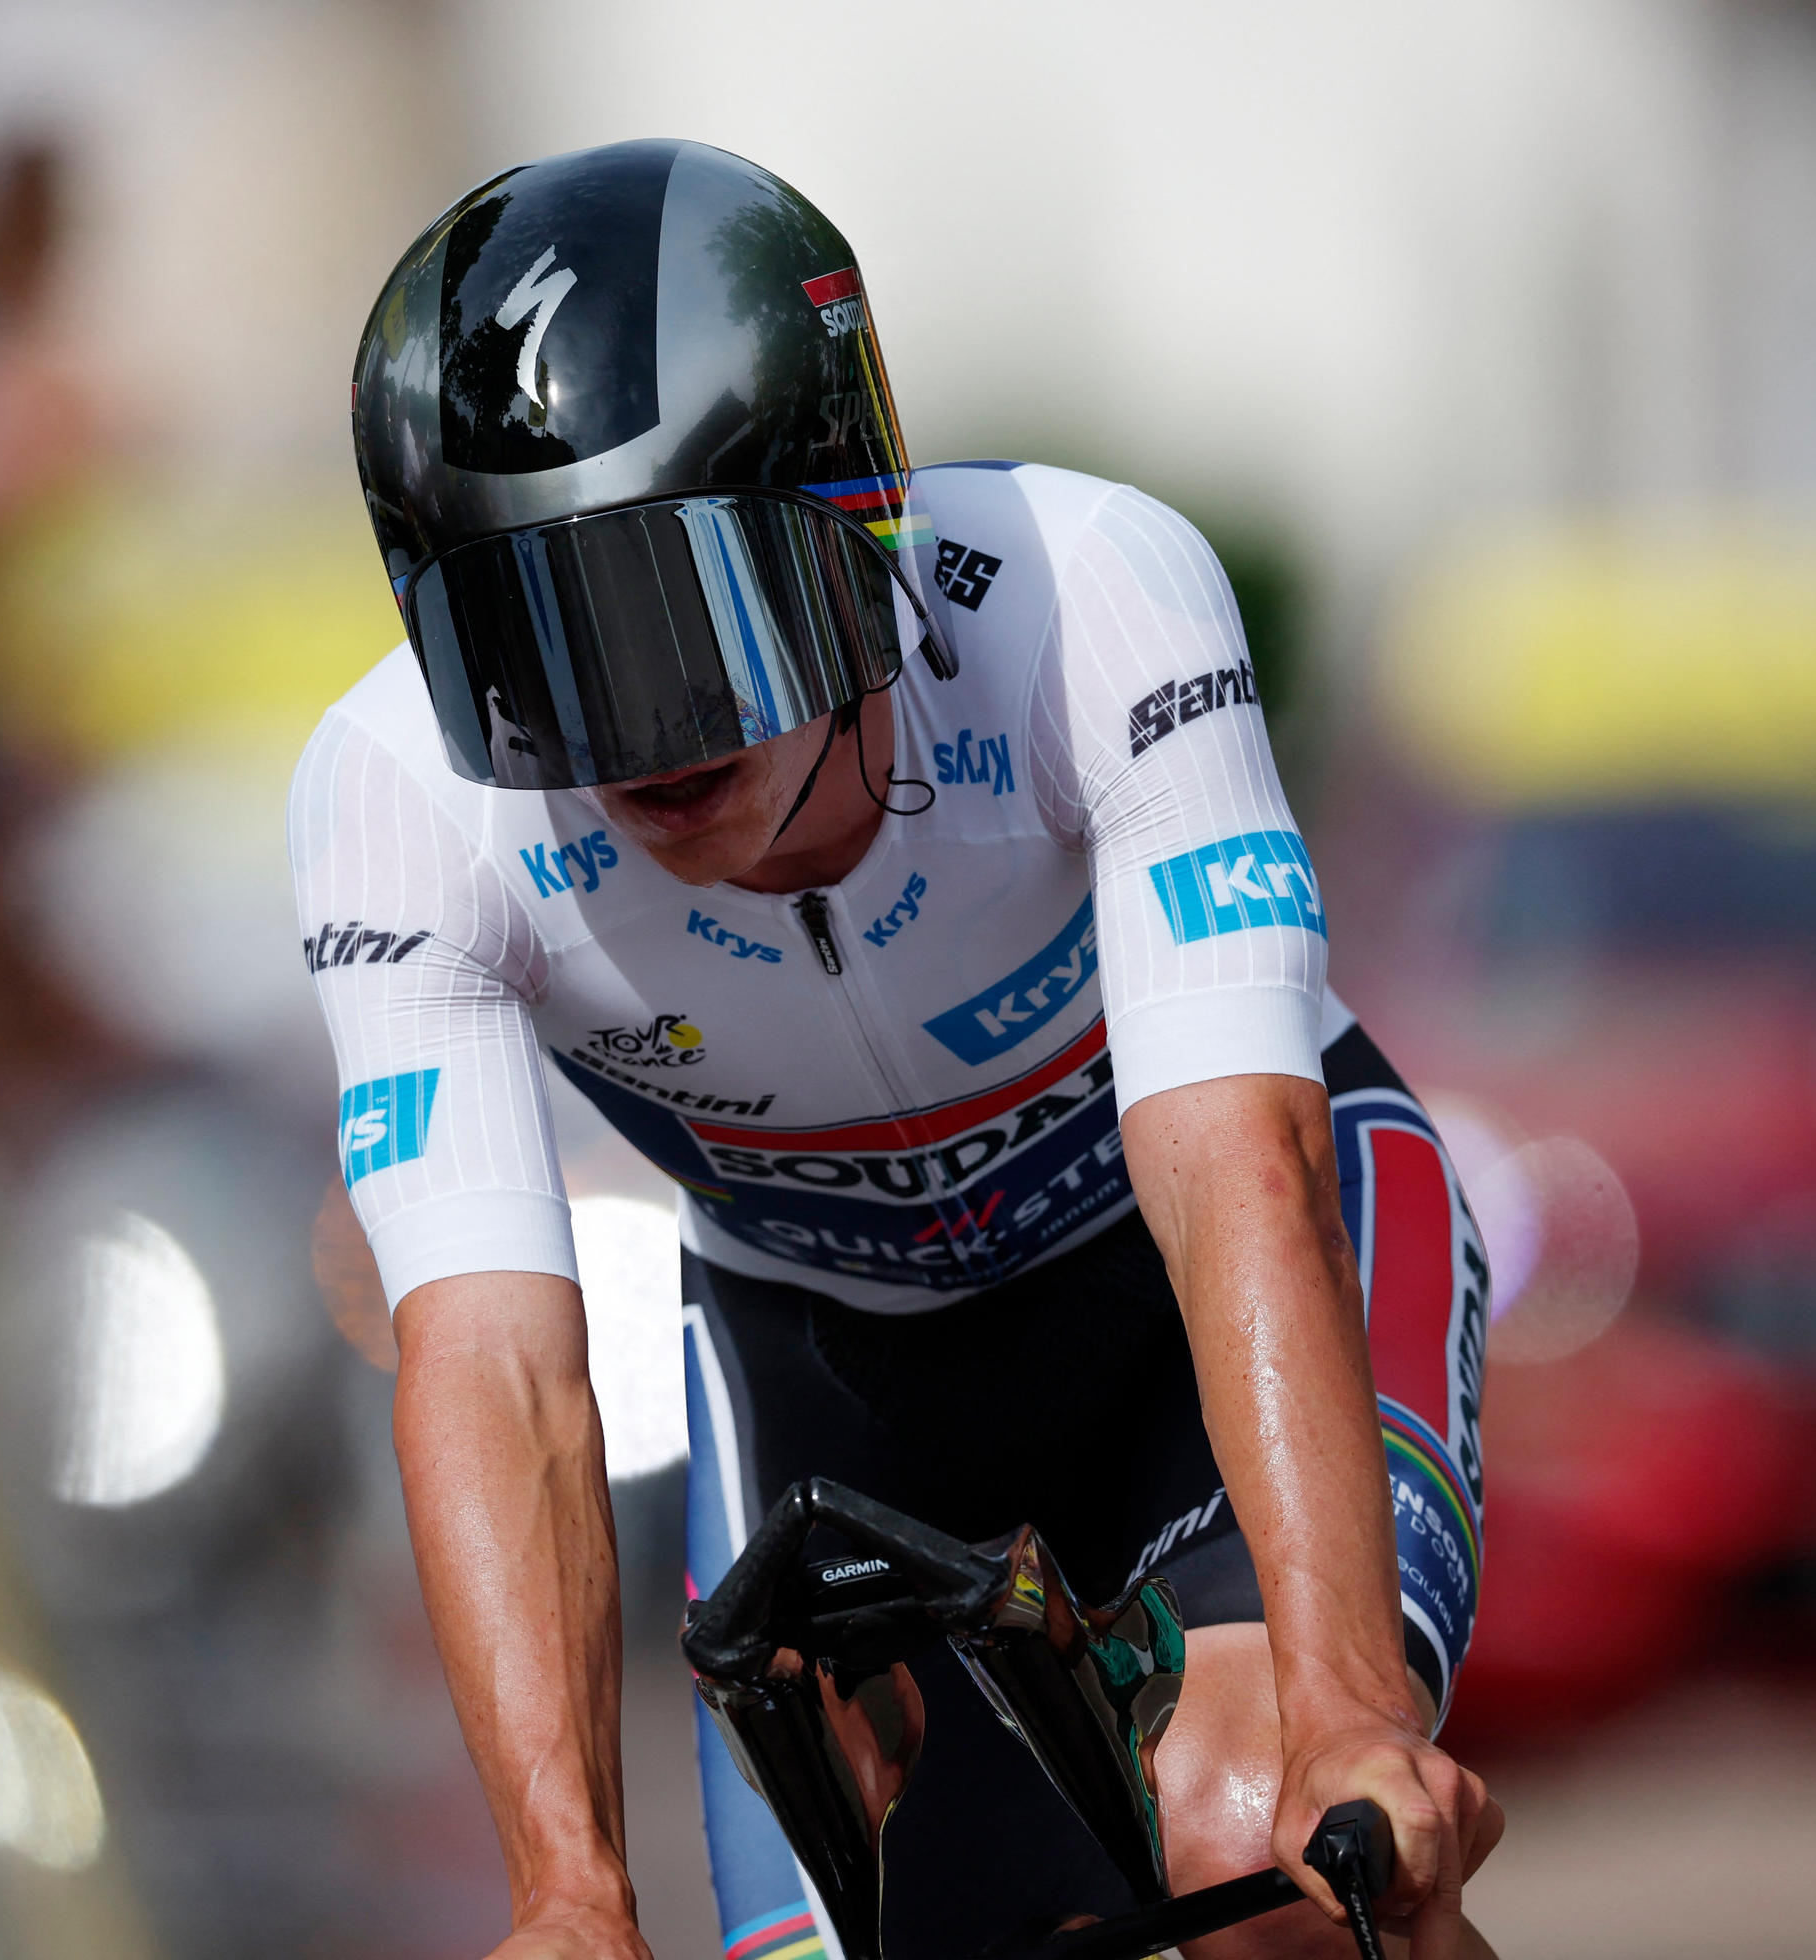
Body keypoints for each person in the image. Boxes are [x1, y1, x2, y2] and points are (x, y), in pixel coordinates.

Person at [293, 141, 1500, 1960]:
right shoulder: (395, 797)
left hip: (1190, 1298)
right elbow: (491, 1365)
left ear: (853, 526)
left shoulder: (1093, 599)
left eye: (678, 623)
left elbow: (1237, 1170)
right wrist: (568, 1895)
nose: (630, 741)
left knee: (1268, 1845)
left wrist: (1347, 1708)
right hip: (830, 1373)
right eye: (532, 649)